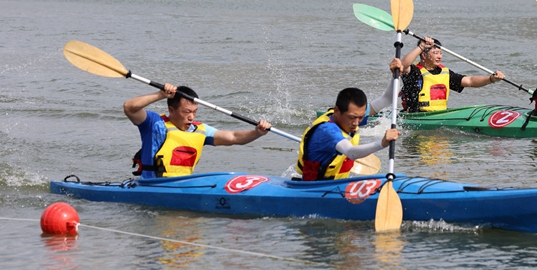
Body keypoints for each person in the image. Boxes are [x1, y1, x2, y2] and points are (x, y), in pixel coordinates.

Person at [124, 85, 271, 178]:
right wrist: (160, 94)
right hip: (152, 186)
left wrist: (257, 132)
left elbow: (233, 137)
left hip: (183, 185)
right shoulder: (154, 123)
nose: (191, 116)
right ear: (171, 110)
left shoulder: (199, 130)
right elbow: (129, 107)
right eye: (187, 111)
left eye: (195, 112)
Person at [297, 60, 402, 181]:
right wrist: (382, 143)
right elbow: (351, 152)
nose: (357, 123)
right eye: (352, 117)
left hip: (336, 186)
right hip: (316, 189)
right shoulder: (327, 131)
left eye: (361, 117)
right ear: (337, 111)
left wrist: (396, 75)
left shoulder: (349, 117)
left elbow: (387, 99)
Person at [399, 37, 504, 113]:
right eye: (435, 53)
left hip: (439, 115)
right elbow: (403, 65)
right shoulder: (414, 71)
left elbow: (470, 81)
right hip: (416, 116)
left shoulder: (445, 72)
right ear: (424, 55)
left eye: (441, 53)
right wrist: (421, 46)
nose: (439, 56)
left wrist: (491, 79)